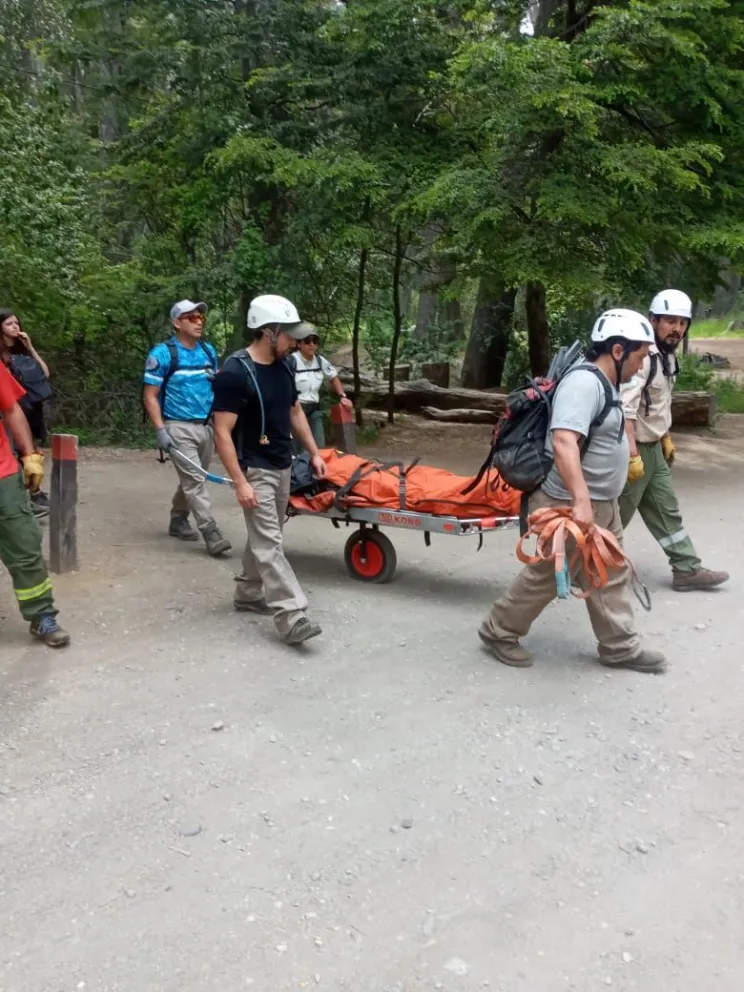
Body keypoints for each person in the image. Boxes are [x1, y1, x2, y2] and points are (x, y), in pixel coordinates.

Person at [479, 309, 666, 674]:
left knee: (609, 572)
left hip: (600, 503)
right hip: (568, 504)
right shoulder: (584, 384)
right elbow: (564, 441)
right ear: (617, 350)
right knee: (547, 575)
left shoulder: (607, 383)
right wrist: (581, 501)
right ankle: (497, 631)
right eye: (640, 356)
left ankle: (619, 647)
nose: (642, 365)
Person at [211, 294, 327, 645]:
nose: (296, 342)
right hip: (255, 469)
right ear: (268, 332)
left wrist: (314, 453)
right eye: (290, 335)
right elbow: (221, 431)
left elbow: (294, 411)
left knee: (266, 536)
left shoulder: (286, 365)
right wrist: (240, 481)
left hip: (282, 464)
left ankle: (248, 594)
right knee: (270, 542)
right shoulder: (235, 373)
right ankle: (292, 615)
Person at [619, 289, 729, 591]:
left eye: (682, 323)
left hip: (653, 448)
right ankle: (576, 567)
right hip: (634, 451)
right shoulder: (642, 357)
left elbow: (658, 405)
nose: (676, 329)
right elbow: (626, 410)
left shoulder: (667, 357)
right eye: (670, 321)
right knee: (614, 516)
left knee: (667, 511)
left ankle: (686, 569)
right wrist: (632, 456)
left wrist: (665, 437)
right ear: (653, 320)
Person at [143, 299, 231, 557]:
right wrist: (160, 430)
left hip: (206, 426)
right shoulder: (162, 354)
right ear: (176, 323)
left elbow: (217, 385)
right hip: (178, 426)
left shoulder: (208, 351)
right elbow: (150, 395)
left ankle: (178, 517)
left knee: (194, 477)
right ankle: (211, 531)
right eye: (191, 317)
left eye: (201, 317)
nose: (199, 321)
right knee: (195, 480)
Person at [0, 361, 69, 647]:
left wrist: (29, 455)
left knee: (24, 546)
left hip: (2, 474)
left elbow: (11, 408)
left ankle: (42, 615)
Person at [0, 308, 53, 518]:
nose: (15, 327)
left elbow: (45, 374)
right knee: (14, 452)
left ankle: (34, 494)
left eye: (16, 323)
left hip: (31, 408)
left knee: (30, 453)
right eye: (9, 324)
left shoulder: (22, 351)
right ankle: (26, 499)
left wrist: (30, 347)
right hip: (12, 409)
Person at [289, 324, 353, 452]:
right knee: (297, 449)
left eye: (315, 341)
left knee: (319, 447)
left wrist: (342, 396)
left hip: (315, 409)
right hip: (296, 410)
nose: (312, 344)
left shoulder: (320, 361)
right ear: (299, 344)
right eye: (307, 341)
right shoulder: (291, 361)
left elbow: (333, 376)